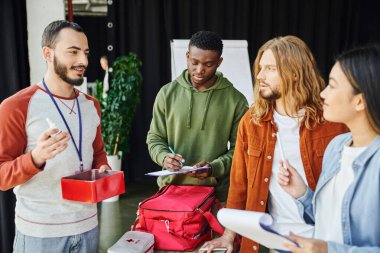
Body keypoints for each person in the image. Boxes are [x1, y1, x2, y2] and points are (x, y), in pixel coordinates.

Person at [200, 36, 348, 253]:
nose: (260, 76)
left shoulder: (333, 122)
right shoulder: (252, 123)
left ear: (295, 73)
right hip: (276, 243)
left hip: (324, 242)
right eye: (260, 68)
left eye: (270, 68)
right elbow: (239, 185)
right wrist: (229, 236)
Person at [0, 20, 110, 253]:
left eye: (86, 53)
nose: (83, 61)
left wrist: (102, 168)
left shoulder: (92, 106)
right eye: (73, 52)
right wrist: (35, 158)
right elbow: (1, 176)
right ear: (47, 54)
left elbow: (98, 153)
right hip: (40, 235)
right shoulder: (17, 106)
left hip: (88, 228)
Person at [277, 45, 380, 253]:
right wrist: (303, 194)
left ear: (359, 101)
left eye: (332, 86)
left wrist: (327, 250)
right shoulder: (336, 147)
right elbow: (332, 221)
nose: (323, 94)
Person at [146, 31, 248, 202]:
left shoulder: (236, 100)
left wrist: (213, 168)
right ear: (187, 56)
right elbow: (155, 138)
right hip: (171, 191)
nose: (200, 70)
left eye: (208, 64)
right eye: (194, 62)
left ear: (219, 62)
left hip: (216, 195)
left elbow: (240, 150)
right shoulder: (166, 94)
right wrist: (164, 157)